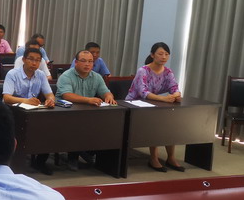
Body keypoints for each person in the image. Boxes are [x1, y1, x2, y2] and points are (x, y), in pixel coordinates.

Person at [126, 42, 184, 172]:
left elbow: (174, 87)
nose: (164, 57)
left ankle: (171, 157)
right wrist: (164, 99)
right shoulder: (143, 71)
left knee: (171, 122)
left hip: (152, 105)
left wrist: (176, 95)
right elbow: (143, 92)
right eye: (160, 54)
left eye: (166, 54)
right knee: (156, 122)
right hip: (134, 105)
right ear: (152, 55)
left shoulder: (168, 72)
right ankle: (153, 158)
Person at [56, 49, 117, 170]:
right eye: (83, 61)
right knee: (77, 125)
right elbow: (67, 95)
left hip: (87, 113)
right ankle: (73, 157)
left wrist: (109, 97)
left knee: (108, 124)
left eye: (90, 61)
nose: (87, 64)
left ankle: (89, 152)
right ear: (76, 62)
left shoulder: (96, 77)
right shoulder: (66, 76)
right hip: (65, 112)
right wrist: (88, 100)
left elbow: (105, 92)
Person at [3, 47, 56, 174]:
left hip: (31, 112)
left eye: (37, 60)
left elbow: (49, 94)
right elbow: (7, 98)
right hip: (11, 112)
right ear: (23, 59)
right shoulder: (13, 74)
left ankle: (39, 162)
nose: (34, 63)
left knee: (49, 128)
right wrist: (26, 101)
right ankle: (14, 165)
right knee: (18, 132)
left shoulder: (41, 75)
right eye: (31, 59)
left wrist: (50, 100)